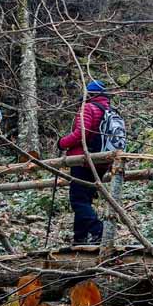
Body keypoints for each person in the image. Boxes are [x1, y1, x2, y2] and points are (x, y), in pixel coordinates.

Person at [57, 81, 112, 246]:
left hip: (83, 160)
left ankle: (99, 231)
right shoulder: (108, 110)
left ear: (90, 93)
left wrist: (62, 143)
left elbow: (81, 133)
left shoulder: (88, 107)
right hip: (101, 161)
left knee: (78, 200)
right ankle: (79, 239)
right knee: (84, 201)